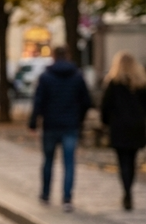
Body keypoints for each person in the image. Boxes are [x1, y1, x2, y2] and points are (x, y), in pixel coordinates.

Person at [28, 46, 92, 212]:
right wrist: (79, 118)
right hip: (70, 125)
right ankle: (67, 198)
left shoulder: (46, 76)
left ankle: (45, 193)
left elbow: (38, 101)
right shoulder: (77, 76)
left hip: (50, 125)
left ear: (54, 56)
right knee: (69, 162)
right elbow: (86, 101)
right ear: (68, 56)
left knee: (48, 160)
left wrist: (33, 122)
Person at [101, 51, 146, 211]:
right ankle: (129, 189)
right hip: (136, 128)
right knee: (132, 161)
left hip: (119, 127)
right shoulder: (141, 84)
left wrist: (106, 122)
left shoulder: (113, 83)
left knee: (122, 162)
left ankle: (126, 191)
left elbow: (105, 107)